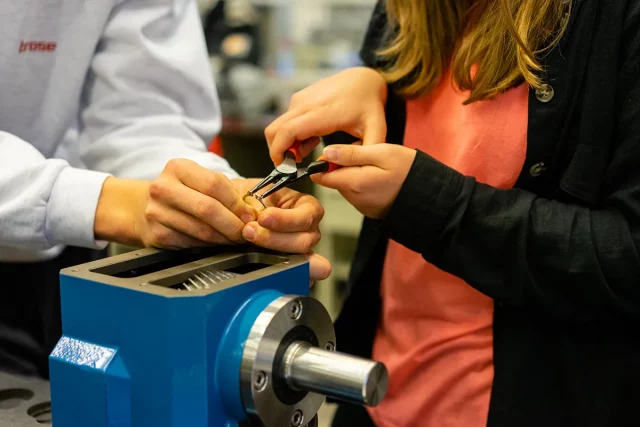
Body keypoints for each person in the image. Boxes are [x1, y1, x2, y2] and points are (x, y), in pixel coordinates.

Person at [265, 0, 640, 426]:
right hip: (375, 396)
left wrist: (426, 201)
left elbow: (628, 255)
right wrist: (371, 82)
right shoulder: (406, 10)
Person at [0, 0, 330, 379]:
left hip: (61, 259)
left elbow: (143, 114)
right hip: (74, 217)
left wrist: (205, 193)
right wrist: (112, 204)